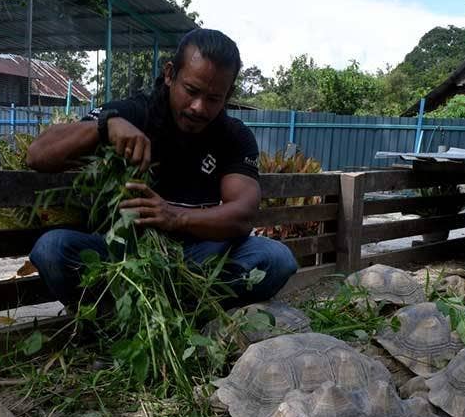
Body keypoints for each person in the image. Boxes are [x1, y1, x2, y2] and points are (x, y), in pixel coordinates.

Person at [27, 28, 297, 310]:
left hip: (197, 258)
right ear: (170, 74)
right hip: (122, 257)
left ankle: (178, 312)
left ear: (227, 95)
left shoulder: (234, 136)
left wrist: (175, 217)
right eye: (191, 91)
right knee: (51, 249)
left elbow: (243, 214)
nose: (198, 107)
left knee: (276, 259)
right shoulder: (135, 113)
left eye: (213, 98)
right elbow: (37, 155)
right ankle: (123, 317)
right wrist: (104, 126)